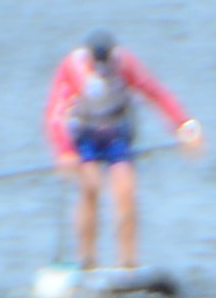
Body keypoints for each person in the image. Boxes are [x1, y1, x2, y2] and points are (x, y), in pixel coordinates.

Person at [42, 31, 203, 274]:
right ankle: (87, 262)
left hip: (115, 133)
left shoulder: (125, 64)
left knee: (125, 191)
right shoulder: (72, 67)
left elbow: (155, 93)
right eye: (97, 62)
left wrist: (184, 126)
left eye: (105, 61)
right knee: (91, 187)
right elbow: (55, 113)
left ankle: (128, 263)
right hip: (86, 134)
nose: (102, 68)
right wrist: (64, 151)